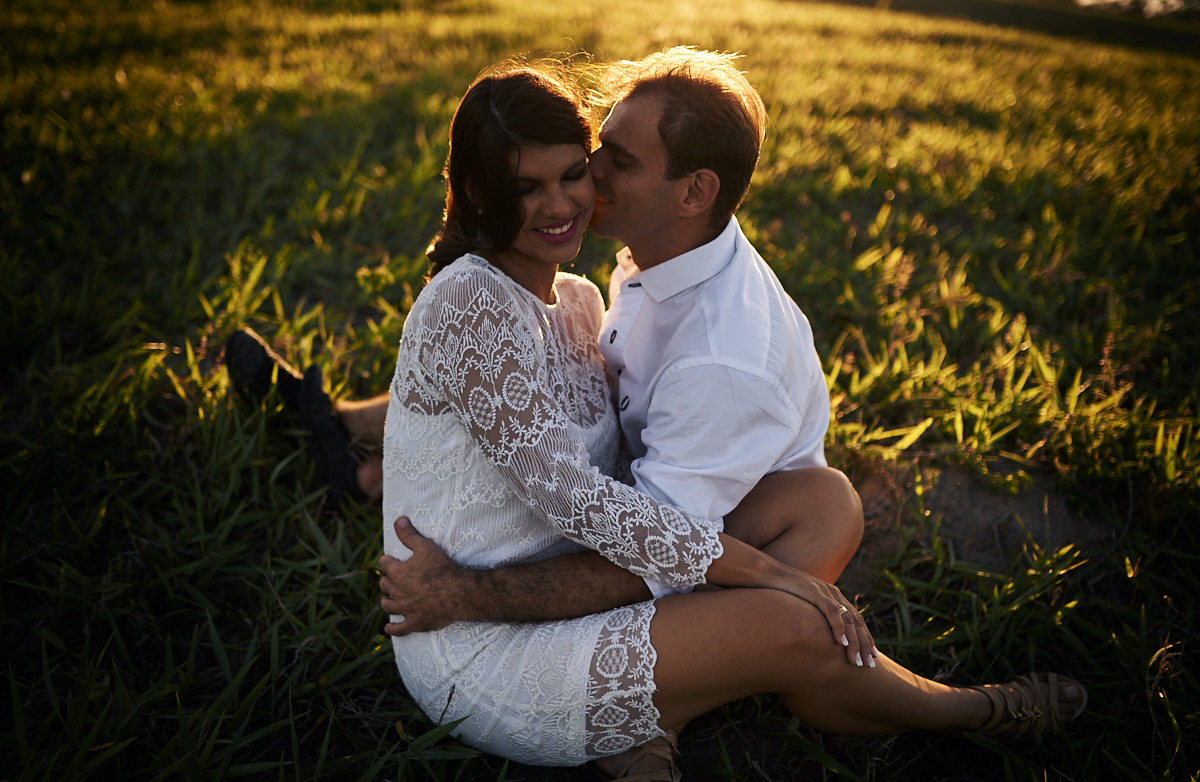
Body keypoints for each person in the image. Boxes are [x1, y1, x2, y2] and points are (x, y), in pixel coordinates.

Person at [368, 51, 1086, 779]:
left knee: (825, 503)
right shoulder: (487, 298)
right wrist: (767, 574)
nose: (570, 201)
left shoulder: (591, 303)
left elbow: (597, 489)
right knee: (798, 621)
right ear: (480, 191)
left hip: (563, 580)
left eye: (582, 170)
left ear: (695, 192)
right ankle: (970, 709)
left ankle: (660, 715)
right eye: (532, 185)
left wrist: (765, 570)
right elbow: (578, 498)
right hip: (473, 635)